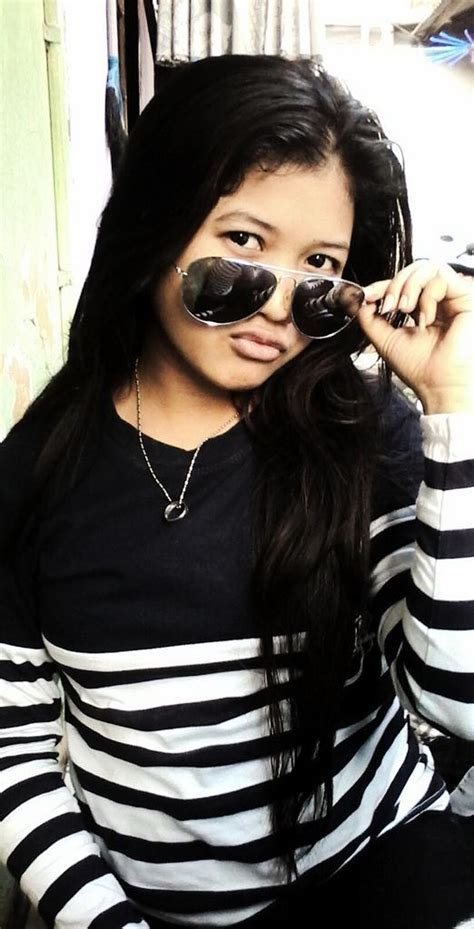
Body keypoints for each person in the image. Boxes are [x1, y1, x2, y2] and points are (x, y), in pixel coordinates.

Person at [0, 54, 473, 929]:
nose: (279, 307)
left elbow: (458, 700)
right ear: (155, 226)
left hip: (384, 865)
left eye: (320, 265)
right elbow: (14, 745)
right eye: (244, 244)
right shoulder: (34, 473)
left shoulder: (360, 433)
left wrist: (453, 405)